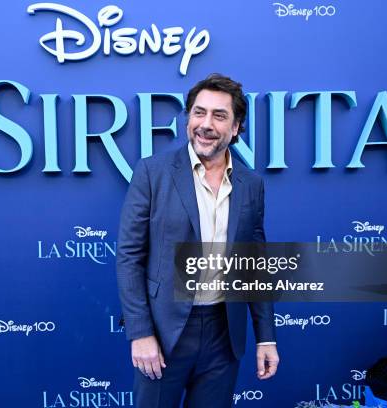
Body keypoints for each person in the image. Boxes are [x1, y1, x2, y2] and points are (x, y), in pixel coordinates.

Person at [116, 73, 279, 407]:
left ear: (235, 128)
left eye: (219, 116)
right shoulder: (152, 172)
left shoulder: (251, 184)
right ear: (188, 118)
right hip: (164, 332)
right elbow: (129, 256)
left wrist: (266, 338)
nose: (206, 124)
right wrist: (141, 332)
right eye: (199, 112)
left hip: (224, 333)